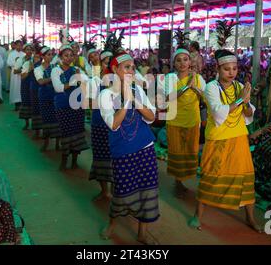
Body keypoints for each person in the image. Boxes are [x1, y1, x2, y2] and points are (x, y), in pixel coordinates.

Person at [190, 49, 261, 232]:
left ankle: (251, 218)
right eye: (227, 69)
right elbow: (217, 111)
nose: (231, 72)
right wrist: (240, 99)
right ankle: (198, 215)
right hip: (218, 139)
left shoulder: (239, 87)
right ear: (218, 69)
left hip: (238, 138)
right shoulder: (211, 87)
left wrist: (245, 102)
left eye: (234, 69)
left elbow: (249, 114)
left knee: (246, 178)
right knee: (210, 176)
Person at [99, 51, 159, 245]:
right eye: (127, 67)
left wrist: (134, 98)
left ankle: (142, 232)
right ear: (115, 70)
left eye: (133, 67)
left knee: (147, 190)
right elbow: (114, 124)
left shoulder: (139, 91)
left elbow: (151, 117)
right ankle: (112, 224)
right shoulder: (105, 95)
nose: (131, 71)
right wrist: (126, 99)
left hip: (145, 147)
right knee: (122, 190)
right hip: (122, 150)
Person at [165, 44, 206, 196]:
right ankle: (178, 182)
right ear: (174, 64)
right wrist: (185, 88)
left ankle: (185, 179)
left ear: (190, 62)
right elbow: (168, 98)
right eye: (178, 60)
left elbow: (206, 97)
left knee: (190, 151)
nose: (182, 63)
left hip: (192, 121)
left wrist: (194, 87)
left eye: (185, 60)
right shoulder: (170, 78)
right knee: (176, 152)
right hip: (174, 121)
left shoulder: (198, 78)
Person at [52, 44, 89, 170]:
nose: (68, 58)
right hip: (63, 105)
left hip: (77, 106)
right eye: (65, 55)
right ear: (60, 57)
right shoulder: (56, 70)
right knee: (66, 132)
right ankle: (64, 160)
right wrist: (75, 80)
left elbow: (87, 82)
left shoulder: (77, 70)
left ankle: (74, 160)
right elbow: (59, 88)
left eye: (71, 55)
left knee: (77, 132)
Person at [88, 45, 114, 201]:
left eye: (111, 63)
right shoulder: (96, 80)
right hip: (100, 122)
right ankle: (105, 190)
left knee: (115, 157)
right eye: (105, 62)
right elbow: (91, 103)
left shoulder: (120, 80)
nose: (108, 66)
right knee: (100, 157)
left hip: (115, 124)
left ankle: (114, 190)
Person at [35, 47, 61, 152]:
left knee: (57, 118)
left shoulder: (55, 67)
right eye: (48, 55)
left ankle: (58, 143)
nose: (50, 57)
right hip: (45, 95)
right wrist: (53, 78)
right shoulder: (38, 69)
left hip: (55, 95)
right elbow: (40, 81)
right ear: (43, 56)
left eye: (51, 54)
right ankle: (46, 142)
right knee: (46, 119)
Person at [17, 45, 34, 130]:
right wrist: (25, 69)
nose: (29, 51)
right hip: (25, 83)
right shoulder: (21, 60)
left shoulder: (35, 59)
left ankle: (34, 124)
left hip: (34, 82)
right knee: (26, 101)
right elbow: (16, 71)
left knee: (33, 102)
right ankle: (26, 123)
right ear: (24, 50)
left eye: (31, 49)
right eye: (27, 49)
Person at [7, 41, 24, 109]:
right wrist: (16, 63)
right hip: (15, 74)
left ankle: (22, 103)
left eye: (20, 45)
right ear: (15, 46)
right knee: (15, 88)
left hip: (22, 73)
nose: (19, 47)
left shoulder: (24, 54)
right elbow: (8, 62)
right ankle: (16, 104)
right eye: (18, 45)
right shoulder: (12, 54)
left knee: (22, 87)